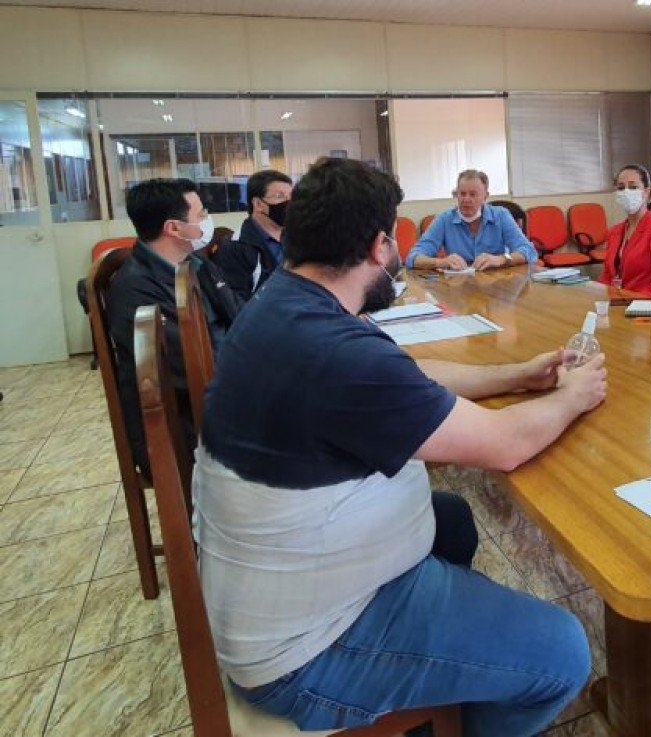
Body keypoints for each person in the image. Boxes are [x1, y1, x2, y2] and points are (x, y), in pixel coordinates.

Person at [193, 157, 605, 736]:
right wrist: (574, 396)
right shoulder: (334, 352)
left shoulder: (291, 303)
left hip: (288, 584)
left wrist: (517, 375)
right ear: (379, 244)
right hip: (309, 649)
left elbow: (406, 371)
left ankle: (457, 676)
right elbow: (507, 444)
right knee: (563, 653)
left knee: (454, 520)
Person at [106, 178, 242, 475]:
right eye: (201, 215)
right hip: (178, 425)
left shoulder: (195, 264)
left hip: (218, 397)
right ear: (174, 228)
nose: (208, 222)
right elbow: (188, 369)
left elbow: (239, 314)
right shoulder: (135, 290)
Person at [406, 169, 538, 271]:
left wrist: (502, 259)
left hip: (496, 284)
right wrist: (441, 262)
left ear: (485, 196)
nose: (466, 199)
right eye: (462, 194)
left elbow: (528, 251)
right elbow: (413, 257)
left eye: (473, 194)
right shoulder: (444, 219)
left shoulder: (501, 215)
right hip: (459, 286)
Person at [597, 164, 651, 300]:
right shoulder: (615, 232)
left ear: (646, 192)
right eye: (621, 188)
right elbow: (607, 276)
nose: (626, 192)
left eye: (633, 187)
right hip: (616, 302)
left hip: (644, 307)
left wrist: (633, 303)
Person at [212, 169, 292, 300]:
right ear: (258, 204)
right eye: (279, 196)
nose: (289, 203)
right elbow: (237, 306)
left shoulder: (297, 238)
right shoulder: (235, 247)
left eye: (291, 196)